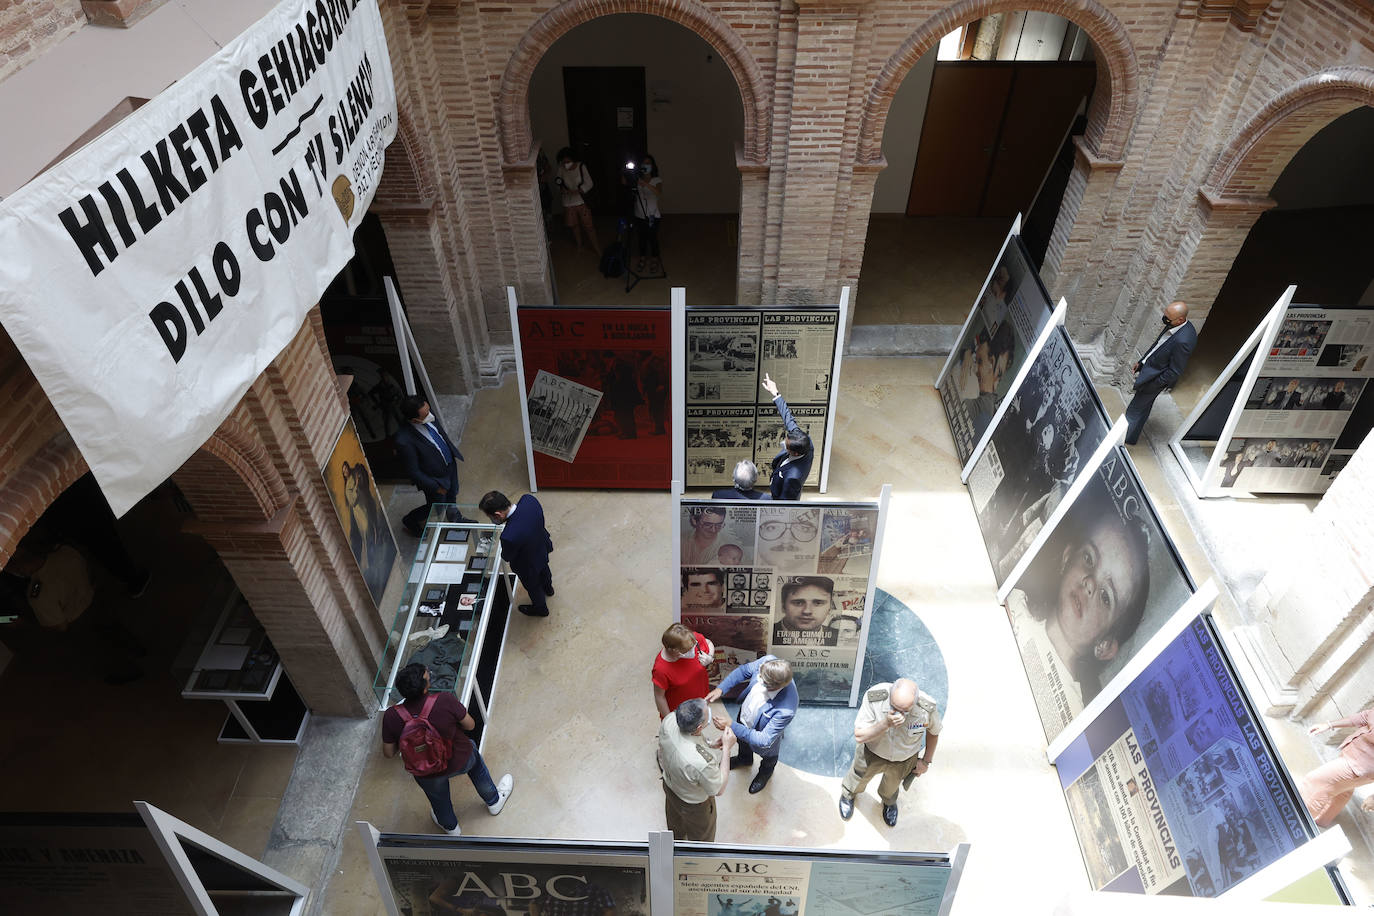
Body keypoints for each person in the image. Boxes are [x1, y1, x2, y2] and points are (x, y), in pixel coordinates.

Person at [1005, 487, 1151, 705]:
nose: (1090, 582)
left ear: (1105, 645)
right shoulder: (1015, 599)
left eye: (1105, 596)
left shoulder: (1075, 706)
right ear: (1067, 558)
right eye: (1089, 559)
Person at [380, 663, 514, 836]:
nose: (429, 674)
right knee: (477, 768)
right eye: (427, 676)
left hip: (426, 772)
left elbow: (388, 753)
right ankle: (494, 802)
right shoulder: (444, 700)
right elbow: (471, 725)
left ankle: (451, 827)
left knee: (438, 797)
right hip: (460, 758)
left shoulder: (391, 716)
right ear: (424, 688)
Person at [838, 678, 942, 827]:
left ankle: (889, 802)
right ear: (890, 694)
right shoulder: (875, 697)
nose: (899, 714)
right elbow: (859, 735)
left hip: (904, 758)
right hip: (872, 752)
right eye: (895, 707)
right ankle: (848, 794)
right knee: (858, 777)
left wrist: (926, 761)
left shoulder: (926, 708)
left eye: (905, 710)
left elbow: (934, 732)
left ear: (915, 702)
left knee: (892, 786)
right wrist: (886, 723)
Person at [706, 656, 797, 794]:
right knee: (743, 742)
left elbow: (764, 740)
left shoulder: (786, 709)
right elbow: (743, 671)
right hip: (744, 716)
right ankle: (744, 759)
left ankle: (765, 773)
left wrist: (731, 725)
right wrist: (721, 689)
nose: (757, 677)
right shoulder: (768, 662)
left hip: (761, 732)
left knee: (769, 757)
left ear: (775, 686)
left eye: (762, 679)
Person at [658, 697, 735, 842]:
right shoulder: (702, 763)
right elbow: (719, 789)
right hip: (693, 805)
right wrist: (726, 748)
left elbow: (688, 742)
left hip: (670, 787)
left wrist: (709, 744)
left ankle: (677, 842)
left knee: (675, 825)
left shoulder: (669, 721)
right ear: (699, 727)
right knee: (702, 836)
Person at [1125, 300, 1197, 445]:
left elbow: (1175, 371)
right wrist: (1142, 361)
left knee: (1134, 410)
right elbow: (1158, 345)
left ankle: (1119, 439)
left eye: (1168, 317)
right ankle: (1130, 438)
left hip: (1154, 380)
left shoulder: (1184, 340)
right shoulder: (1174, 324)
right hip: (1150, 370)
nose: (1165, 319)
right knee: (1143, 407)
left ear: (1180, 319)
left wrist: (1154, 384)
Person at [394, 395, 467, 537]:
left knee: (453, 494)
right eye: (426, 414)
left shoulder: (427, 414)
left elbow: (440, 435)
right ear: (414, 420)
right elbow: (413, 471)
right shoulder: (404, 440)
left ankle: (455, 519)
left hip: (449, 465)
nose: (430, 415)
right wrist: (435, 487)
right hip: (435, 480)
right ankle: (410, 521)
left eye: (428, 410)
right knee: (436, 507)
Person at [478, 490, 554, 618]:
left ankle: (541, 609)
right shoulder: (529, 500)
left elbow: (507, 556)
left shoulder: (509, 536)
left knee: (533, 587)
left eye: (490, 517)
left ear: (498, 514)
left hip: (528, 565)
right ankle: (549, 589)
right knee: (545, 569)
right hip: (542, 547)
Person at [1300, 709, 1374, 827]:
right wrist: (1329, 725)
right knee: (1343, 790)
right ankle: (1323, 820)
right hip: (1355, 754)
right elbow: (1365, 716)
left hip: (1359, 765)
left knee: (1314, 783)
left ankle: (1297, 825)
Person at [955, 322, 1016, 443]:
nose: (975, 369)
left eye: (980, 361)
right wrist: (967, 352)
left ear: (992, 362)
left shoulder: (981, 411)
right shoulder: (986, 405)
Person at [761, 374, 813, 500]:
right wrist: (775, 393)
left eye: (787, 446)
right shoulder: (803, 440)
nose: (784, 443)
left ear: (794, 453)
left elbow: (785, 503)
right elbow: (788, 418)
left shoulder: (792, 478)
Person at [652, 623, 714, 718]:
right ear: (674, 650)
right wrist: (670, 721)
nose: (693, 651)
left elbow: (708, 642)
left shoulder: (689, 639)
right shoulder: (661, 669)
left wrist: (710, 656)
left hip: (700, 701)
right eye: (688, 650)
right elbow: (659, 697)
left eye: (694, 646)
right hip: (679, 712)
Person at [772, 576, 839, 646]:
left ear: (830, 607)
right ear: (783, 606)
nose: (807, 611)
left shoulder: (840, 636)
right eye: (798, 603)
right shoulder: (765, 632)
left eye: (818, 603)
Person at [555, 147, 598, 254]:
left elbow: (589, 183)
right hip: (568, 202)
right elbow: (558, 183)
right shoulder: (561, 168)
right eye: (563, 162)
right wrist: (562, 189)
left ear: (573, 159)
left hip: (581, 201)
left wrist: (578, 191)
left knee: (589, 226)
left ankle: (596, 246)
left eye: (568, 161)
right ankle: (579, 244)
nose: (566, 164)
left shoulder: (581, 166)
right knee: (574, 226)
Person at [627, 154, 663, 275]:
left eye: (648, 163)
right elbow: (624, 183)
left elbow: (658, 192)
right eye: (644, 163)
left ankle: (654, 258)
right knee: (641, 237)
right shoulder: (636, 178)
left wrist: (645, 184)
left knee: (652, 237)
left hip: (653, 215)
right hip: (639, 214)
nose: (645, 165)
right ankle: (642, 257)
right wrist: (626, 172)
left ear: (652, 166)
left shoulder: (656, 180)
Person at [599, 350, 642, 439]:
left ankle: (630, 434)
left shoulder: (620, 364)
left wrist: (611, 380)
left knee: (625, 414)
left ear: (608, 357)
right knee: (621, 414)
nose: (605, 361)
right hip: (622, 395)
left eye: (605, 359)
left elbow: (622, 380)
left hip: (624, 395)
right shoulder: (615, 364)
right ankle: (626, 432)